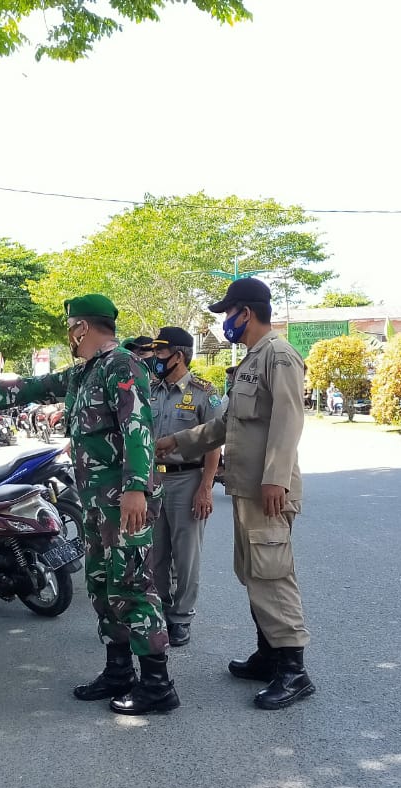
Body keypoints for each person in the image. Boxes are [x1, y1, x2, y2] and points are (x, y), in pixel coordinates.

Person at [0, 294, 179, 715]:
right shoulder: (85, 372)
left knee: (132, 585)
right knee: (102, 584)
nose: (68, 335)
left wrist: (136, 488)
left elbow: (137, 429)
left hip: (124, 502)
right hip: (96, 502)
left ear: (81, 327)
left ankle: (157, 684)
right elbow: (36, 387)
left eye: (70, 327)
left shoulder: (122, 365)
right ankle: (118, 670)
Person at [156, 278, 316, 710]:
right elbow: (226, 426)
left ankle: (293, 672)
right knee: (253, 574)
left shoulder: (278, 355)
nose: (225, 321)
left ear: (246, 312)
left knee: (272, 575)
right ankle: (268, 655)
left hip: (268, 490)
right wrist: (178, 442)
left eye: (228, 312)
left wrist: (276, 478)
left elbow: (289, 419)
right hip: (248, 489)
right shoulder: (252, 360)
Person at [147, 327, 222, 648]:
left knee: (186, 556)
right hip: (153, 480)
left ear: (178, 356)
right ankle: (161, 609)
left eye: (160, 352)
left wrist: (205, 487)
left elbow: (214, 443)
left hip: (187, 480)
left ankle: (181, 618)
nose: (155, 358)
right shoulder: (148, 390)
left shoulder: (204, 392)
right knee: (155, 552)